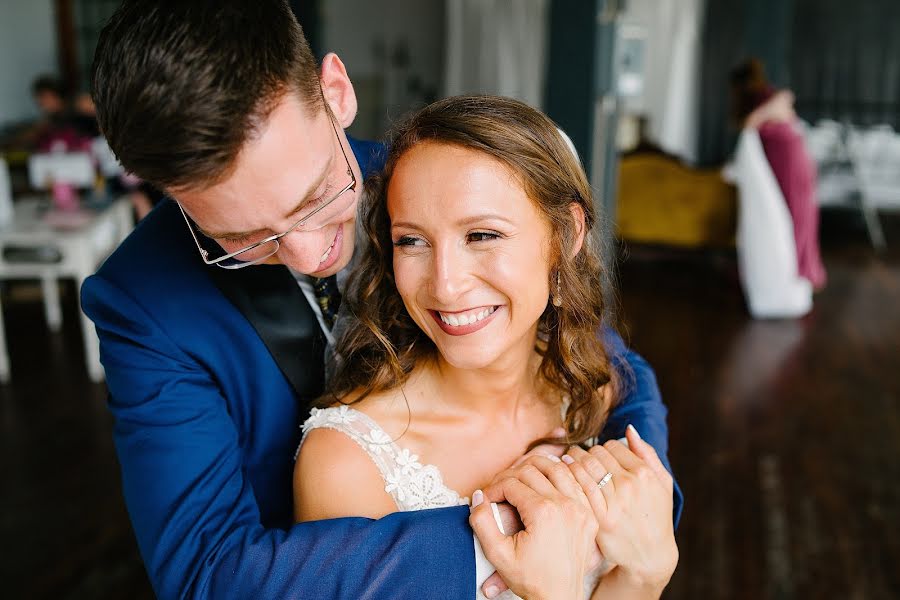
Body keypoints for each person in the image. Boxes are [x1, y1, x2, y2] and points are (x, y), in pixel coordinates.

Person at [82, 1, 682, 598]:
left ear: (337, 92)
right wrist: (518, 525)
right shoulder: (142, 299)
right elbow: (206, 575)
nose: (308, 254)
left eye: (318, 198)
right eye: (242, 240)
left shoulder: (435, 176)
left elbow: (607, 360)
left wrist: (633, 503)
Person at [294, 95, 679, 599]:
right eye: (412, 241)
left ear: (566, 236)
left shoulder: (591, 385)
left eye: (481, 235)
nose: (446, 285)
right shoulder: (346, 465)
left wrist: (644, 577)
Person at [730, 58, 827, 290]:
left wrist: (770, 109)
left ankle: (799, 273)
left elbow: (775, 111)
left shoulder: (766, 98)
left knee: (798, 216)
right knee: (791, 217)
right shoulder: (763, 101)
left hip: (792, 163)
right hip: (787, 162)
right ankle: (791, 273)